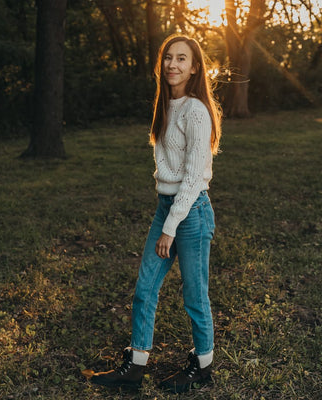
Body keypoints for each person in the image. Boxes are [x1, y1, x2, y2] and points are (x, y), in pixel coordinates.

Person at [87, 34, 222, 394]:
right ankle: (136, 365)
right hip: (168, 207)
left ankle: (202, 365)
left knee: (195, 294)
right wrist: (167, 218)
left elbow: (194, 177)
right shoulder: (166, 106)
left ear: (194, 69)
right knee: (145, 289)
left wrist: (170, 227)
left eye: (182, 59)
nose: (173, 65)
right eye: (168, 58)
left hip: (191, 212)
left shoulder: (195, 110)